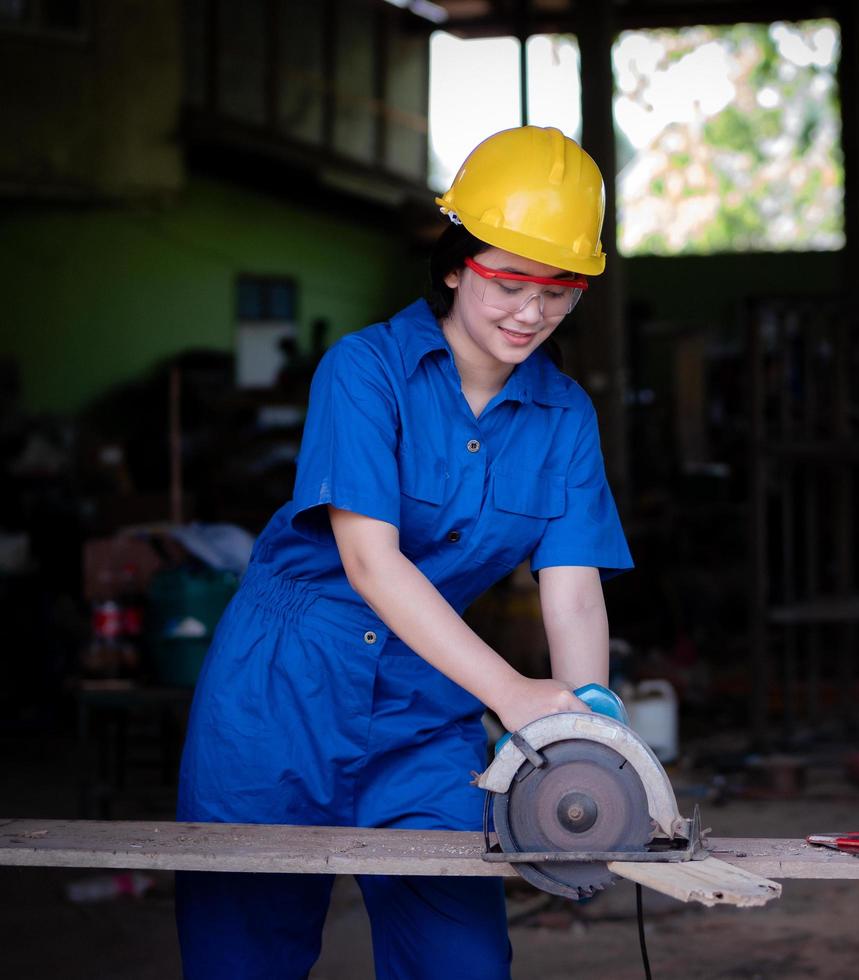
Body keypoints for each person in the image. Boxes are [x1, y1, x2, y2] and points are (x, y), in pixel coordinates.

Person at [174, 126, 633, 980]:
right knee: (245, 953)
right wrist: (516, 696)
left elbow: (569, 588)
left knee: (457, 959)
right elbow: (371, 562)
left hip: (428, 707)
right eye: (509, 280)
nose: (531, 313)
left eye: (561, 290)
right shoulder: (363, 370)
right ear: (457, 263)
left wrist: (583, 732)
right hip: (282, 690)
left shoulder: (565, 415)